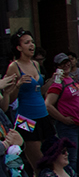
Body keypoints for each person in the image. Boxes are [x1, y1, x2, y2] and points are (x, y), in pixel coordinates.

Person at [7, 30, 53, 169]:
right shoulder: (14, 66)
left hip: (43, 115)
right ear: (19, 47)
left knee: (51, 158)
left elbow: (39, 91)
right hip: (25, 118)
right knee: (39, 165)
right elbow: (9, 99)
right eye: (27, 42)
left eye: (32, 42)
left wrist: (51, 82)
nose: (31, 45)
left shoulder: (35, 64)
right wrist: (18, 85)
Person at [44, 52, 79, 158]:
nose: (66, 65)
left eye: (67, 62)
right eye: (62, 64)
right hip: (69, 127)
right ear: (57, 67)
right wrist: (63, 119)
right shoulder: (58, 82)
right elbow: (48, 104)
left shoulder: (72, 78)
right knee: (71, 158)